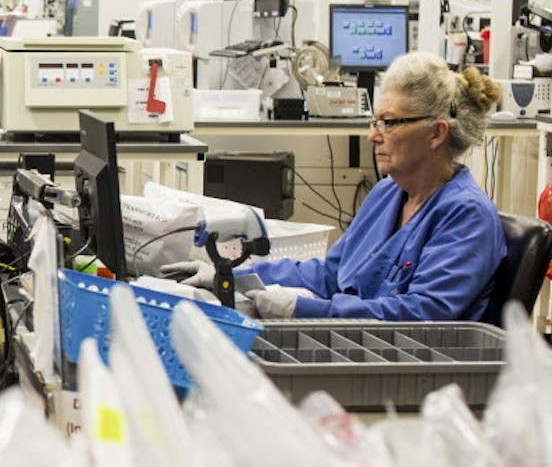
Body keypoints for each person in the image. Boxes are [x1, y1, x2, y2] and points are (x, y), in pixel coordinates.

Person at [163, 52, 505, 321]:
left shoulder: (466, 215)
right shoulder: (389, 193)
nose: (373, 135)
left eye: (388, 123)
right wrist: (233, 273)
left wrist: (304, 309)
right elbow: (332, 273)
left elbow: (419, 316)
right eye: (375, 122)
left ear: (436, 133)